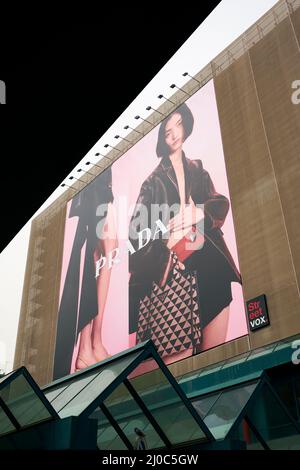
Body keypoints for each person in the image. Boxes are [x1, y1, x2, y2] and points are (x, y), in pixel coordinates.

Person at [128, 102, 241, 361]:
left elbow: (220, 202)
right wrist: (165, 237)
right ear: (161, 137)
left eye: (178, 125)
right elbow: (134, 241)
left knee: (216, 361)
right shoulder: (152, 182)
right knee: (182, 367)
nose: (175, 134)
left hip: (210, 268)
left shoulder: (197, 168)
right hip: (177, 277)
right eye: (167, 131)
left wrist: (200, 212)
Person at [53, 167, 117, 379]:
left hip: (98, 182)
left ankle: (89, 346)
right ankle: (90, 346)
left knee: (99, 253)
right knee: (103, 251)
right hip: (95, 184)